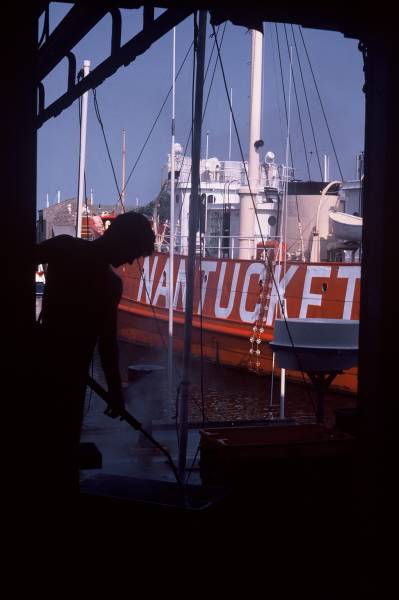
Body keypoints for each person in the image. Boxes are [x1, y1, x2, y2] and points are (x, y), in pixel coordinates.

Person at [35, 211, 155, 503]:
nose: (129, 261)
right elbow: (107, 344)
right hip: (70, 379)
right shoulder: (110, 285)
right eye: (132, 253)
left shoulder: (65, 248)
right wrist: (115, 391)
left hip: (41, 367)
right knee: (62, 449)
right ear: (122, 240)